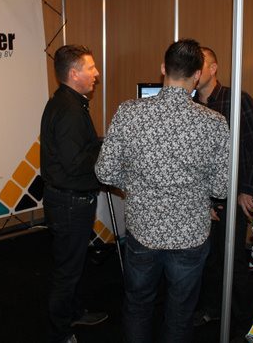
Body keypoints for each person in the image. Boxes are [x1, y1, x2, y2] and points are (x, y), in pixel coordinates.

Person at [95, 39, 230, 343]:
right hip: (191, 234)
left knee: (138, 304)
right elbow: (221, 188)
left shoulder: (129, 112)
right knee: (181, 312)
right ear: (197, 75)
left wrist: (135, 184)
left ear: (162, 69)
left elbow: (104, 171)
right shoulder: (214, 123)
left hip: (142, 230)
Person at [192, 47, 253, 337]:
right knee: (206, 260)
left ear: (213, 69)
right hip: (200, 199)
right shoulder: (188, 105)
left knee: (233, 260)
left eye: (201, 64)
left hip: (233, 196)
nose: (195, 70)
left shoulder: (237, 100)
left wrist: (247, 190)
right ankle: (211, 309)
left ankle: (242, 321)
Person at [40, 44, 108, 343]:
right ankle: (61, 333)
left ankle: (74, 312)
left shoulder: (68, 102)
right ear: (74, 73)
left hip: (69, 201)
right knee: (67, 270)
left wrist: (98, 145)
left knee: (74, 263)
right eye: (90, 68)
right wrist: (107, 151)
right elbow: (76, 162)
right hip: (69, 203)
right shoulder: (68, 110)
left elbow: (79, 150)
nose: (96, 73)